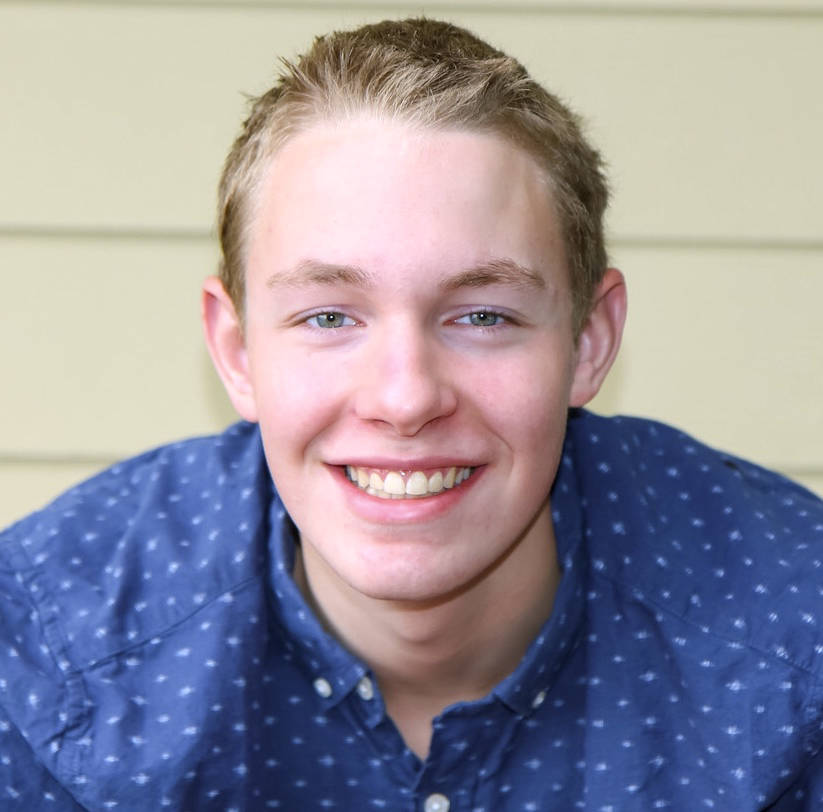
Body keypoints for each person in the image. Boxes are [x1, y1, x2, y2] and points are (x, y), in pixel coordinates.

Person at [1, 16, 822, 811]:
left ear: (589, 341)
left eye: (482, 316)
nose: (404, 398)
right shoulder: (50, 654)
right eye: (329, 317)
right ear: (237, 350)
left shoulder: (793, 634)